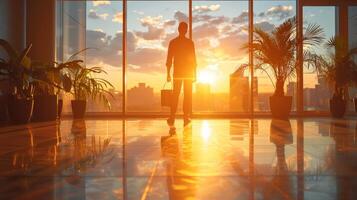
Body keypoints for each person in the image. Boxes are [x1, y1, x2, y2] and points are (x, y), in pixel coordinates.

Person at [166, 22, 197, 126]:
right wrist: (195, 74)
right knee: (187, 95)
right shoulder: (190, 43)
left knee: (175, 95)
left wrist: (168, 73)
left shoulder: (173, 42)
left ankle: (172, 117)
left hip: (178, 73)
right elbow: (194, 60)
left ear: (178, 29)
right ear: (186, 30)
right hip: (187, 73)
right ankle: (185, 117)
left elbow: (169, 59)